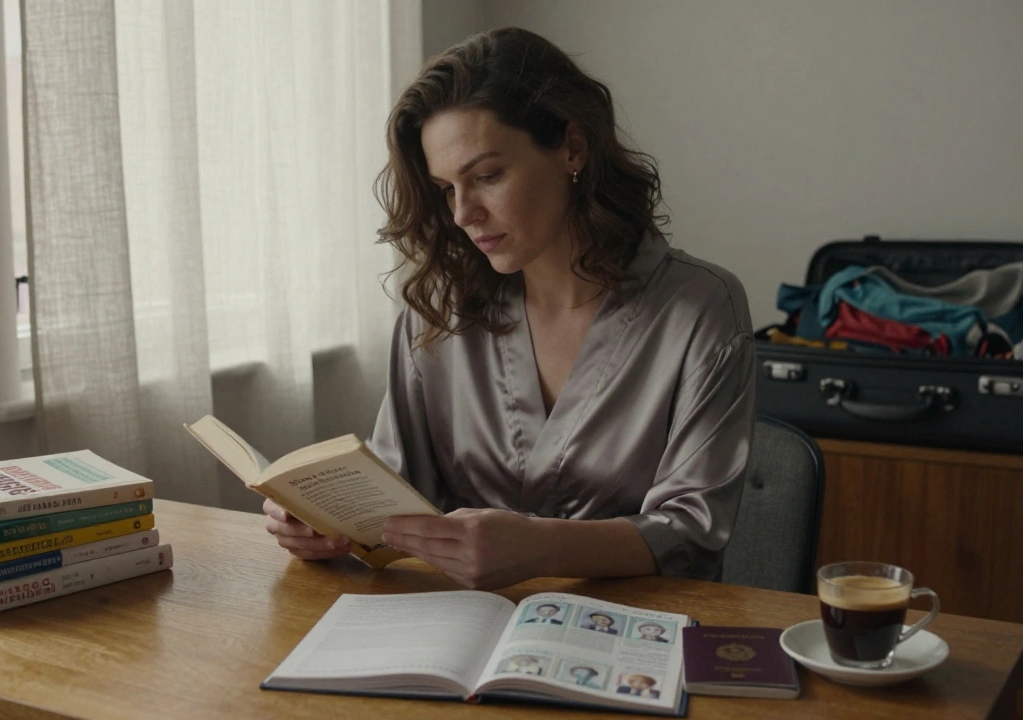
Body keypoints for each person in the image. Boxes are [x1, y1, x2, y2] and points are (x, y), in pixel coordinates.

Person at [261, 27, 755, 590]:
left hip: (636, 635)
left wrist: (541, 547)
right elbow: (395, 490)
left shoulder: (701, 308)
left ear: (572, 147)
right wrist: (325, 522)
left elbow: (693, 531)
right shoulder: (439, 311)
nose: (464, 214)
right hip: (458, 632)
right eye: (446, 189)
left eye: (487, 177)